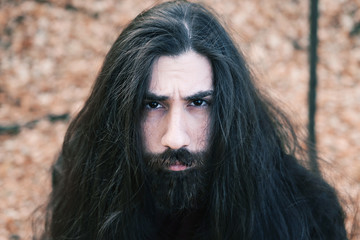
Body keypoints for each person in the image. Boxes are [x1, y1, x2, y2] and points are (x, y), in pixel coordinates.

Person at [39, 1, 348, 239]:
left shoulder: (302, 215)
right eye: (152, 105)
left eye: (198, 103)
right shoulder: (86, 182)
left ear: (230, 110)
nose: (175, 138)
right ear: (121, 112)